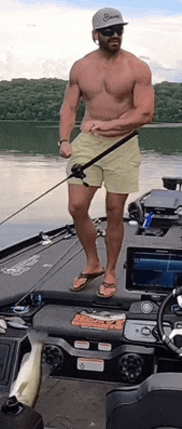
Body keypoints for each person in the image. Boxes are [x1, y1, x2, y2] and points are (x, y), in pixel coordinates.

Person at [59, 7, 154, 298]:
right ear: (95, 35)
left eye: (120, 30)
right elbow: (71, 107)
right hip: (88, 141)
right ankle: (93, 263)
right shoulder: (81, 67)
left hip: (123, 144)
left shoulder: (137, 67)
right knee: (77, 207)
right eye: (109, 31)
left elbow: (145, 113)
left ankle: (110, 270)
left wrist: (110, 124)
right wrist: (64, 139)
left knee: (114, 212)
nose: (116, 36)